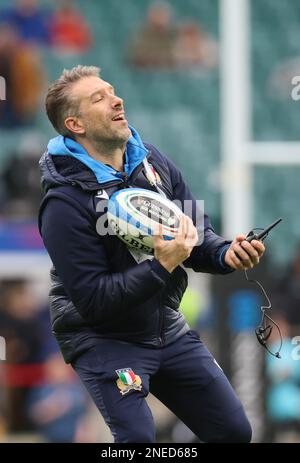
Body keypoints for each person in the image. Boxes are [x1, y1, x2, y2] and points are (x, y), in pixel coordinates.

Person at [39, 65, 265, 443]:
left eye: (112, 91)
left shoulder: (153, 162)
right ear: (75, 125)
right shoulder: (62, 204)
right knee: (138, 441)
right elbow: (94, 300)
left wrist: (226, 253)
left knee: (234, 433)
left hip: (166, 329)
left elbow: (196, 233)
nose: (117, 100)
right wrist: (162, 265)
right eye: (99, 98)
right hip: (104, 340)